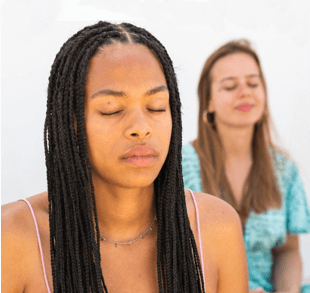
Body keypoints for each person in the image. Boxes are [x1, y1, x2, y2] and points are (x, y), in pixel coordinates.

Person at [1, 22, 248, 293]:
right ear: (70, 123)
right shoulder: (13, 237)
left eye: (156, 107)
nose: (141, 127)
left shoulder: (216, 227)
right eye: (112, 109)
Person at [182, 39, 310, 293]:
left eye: (253, 83)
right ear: (208, 101)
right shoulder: (180, 166)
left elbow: (287, 252)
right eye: (230, 86)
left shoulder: (283, 169)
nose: (245, 91)